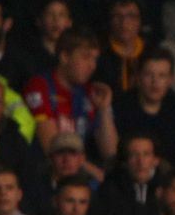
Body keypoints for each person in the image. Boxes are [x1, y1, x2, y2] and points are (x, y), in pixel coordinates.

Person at [22, 26, 119, 169]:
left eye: (95, 59)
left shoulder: (91, 92)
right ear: (64, 57)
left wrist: (104, 109)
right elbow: (52, 148)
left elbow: (110, 152)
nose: (92, 66)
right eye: (85, 57)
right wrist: (96, 173)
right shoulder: (39, 86)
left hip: (80, 172)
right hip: (47, 171)